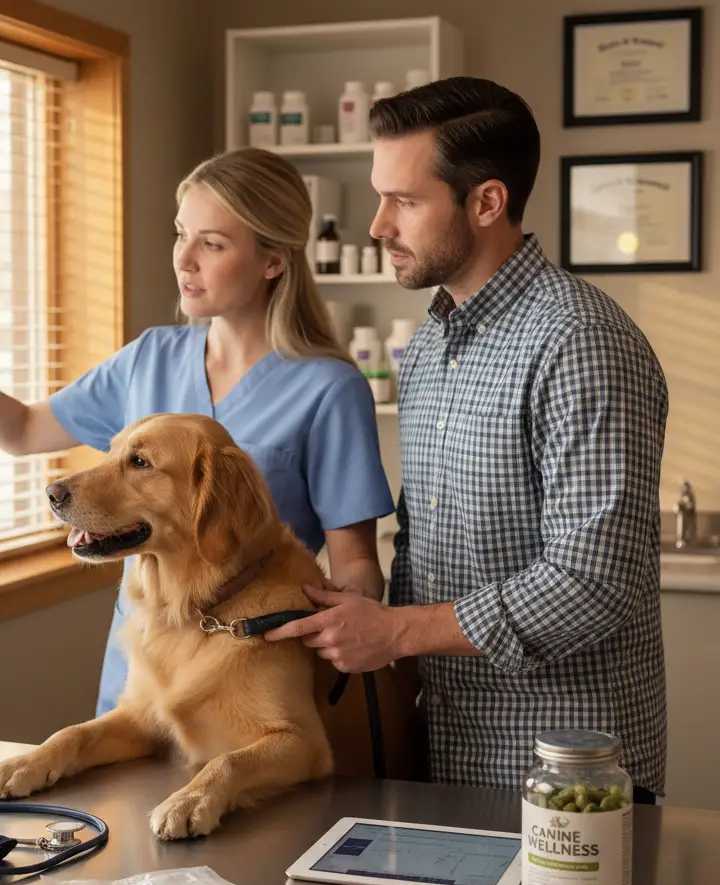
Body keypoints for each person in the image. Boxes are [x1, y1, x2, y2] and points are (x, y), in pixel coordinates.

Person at [0, 146, 396, 717]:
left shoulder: (328, 389)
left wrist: (344, 627)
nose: (184, 259)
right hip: (139, 685)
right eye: (181, 234)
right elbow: (21, 429)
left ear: (273, 260)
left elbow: (356, 566)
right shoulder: (150, 358)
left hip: (249, 684)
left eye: (212, 244)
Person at [265, 77, 669, 804]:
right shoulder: (429, 345)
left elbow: (592, 583)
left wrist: (395, 633)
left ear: (486, 202)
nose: (378, 226)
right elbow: (425, 546)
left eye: (405, 201)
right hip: (445, 749)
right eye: (380, 197)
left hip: (564, 771)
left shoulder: (580, 342)